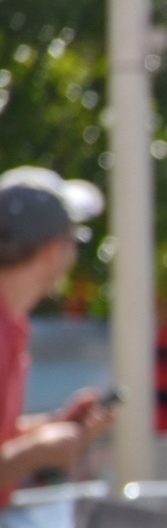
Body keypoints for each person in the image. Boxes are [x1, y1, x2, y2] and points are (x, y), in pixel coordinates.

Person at [0, 167, 114, 504]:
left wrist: (51, 430)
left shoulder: (12, 326)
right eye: (74, 240)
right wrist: (32, 453)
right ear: (52, 251)